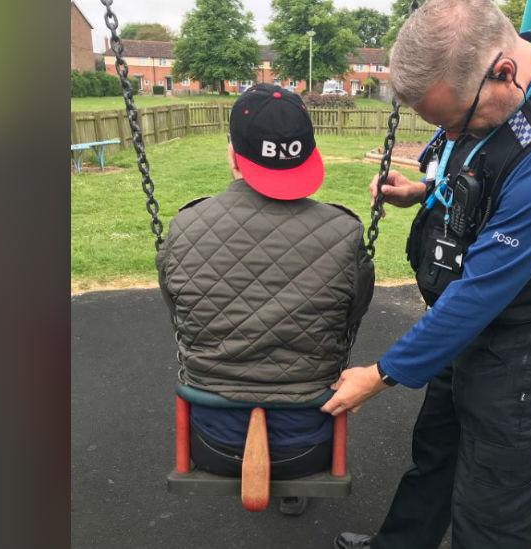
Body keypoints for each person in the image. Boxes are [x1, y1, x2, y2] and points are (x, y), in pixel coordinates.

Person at [323, 0, 531, 547]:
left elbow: (481, 293)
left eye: (453, 123)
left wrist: (381, 374)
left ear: (503, 72)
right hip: (471, 327)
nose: (450, 137)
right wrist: (424, 191)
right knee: (437, 453)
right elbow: (484, 169)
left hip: (525, 343)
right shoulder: (503, 91)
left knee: (491, 498)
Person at [156, 84, 374, 513]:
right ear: (309, 156)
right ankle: (290, 486)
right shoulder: (344, 233)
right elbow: (355, 313)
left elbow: (175, 307)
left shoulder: (184, 227)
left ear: (233, 154)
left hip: (213, 442)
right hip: (308, 446)